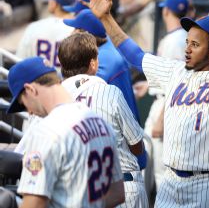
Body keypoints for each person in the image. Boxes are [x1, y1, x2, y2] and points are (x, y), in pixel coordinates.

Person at [81, 0, 209, 207]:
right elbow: (133, 54)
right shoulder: (174, 71)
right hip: (170, 182)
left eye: (195, 44)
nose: (187, 49)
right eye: (187, 42)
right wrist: (106, 18)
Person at [6, 56, 124, 207]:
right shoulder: (100, 122)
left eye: (23, 104)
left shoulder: (45, 131)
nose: (29, 112)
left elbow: (33, 204)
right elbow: (117, 193)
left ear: (30, 89)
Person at [58, 32, 149, 208]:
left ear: (62, 64)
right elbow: (137, 146)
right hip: (123, 187)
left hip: (77, 194)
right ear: (93, 64)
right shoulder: (110, 92)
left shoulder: (56, 99)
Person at [143, 0, 189, 190]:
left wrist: (161, 118)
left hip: (167, 105)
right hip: (166, 102)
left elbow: (177, 82)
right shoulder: (182, 37)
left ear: (166, 11)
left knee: (161, 173)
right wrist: (147, 85)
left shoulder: (175, 41)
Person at [63, 9, 140, 122]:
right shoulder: (105, 46)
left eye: (76, 29)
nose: (71, 33)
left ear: (86, 35)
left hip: (120, 126)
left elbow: (79, 92)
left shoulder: (101, 59)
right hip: (119, 118)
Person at [16, 0, 76, 68]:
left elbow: (20, 59)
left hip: (36, 79)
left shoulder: (34, 27)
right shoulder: (78, 31)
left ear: (55, 3)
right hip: (66, 80)